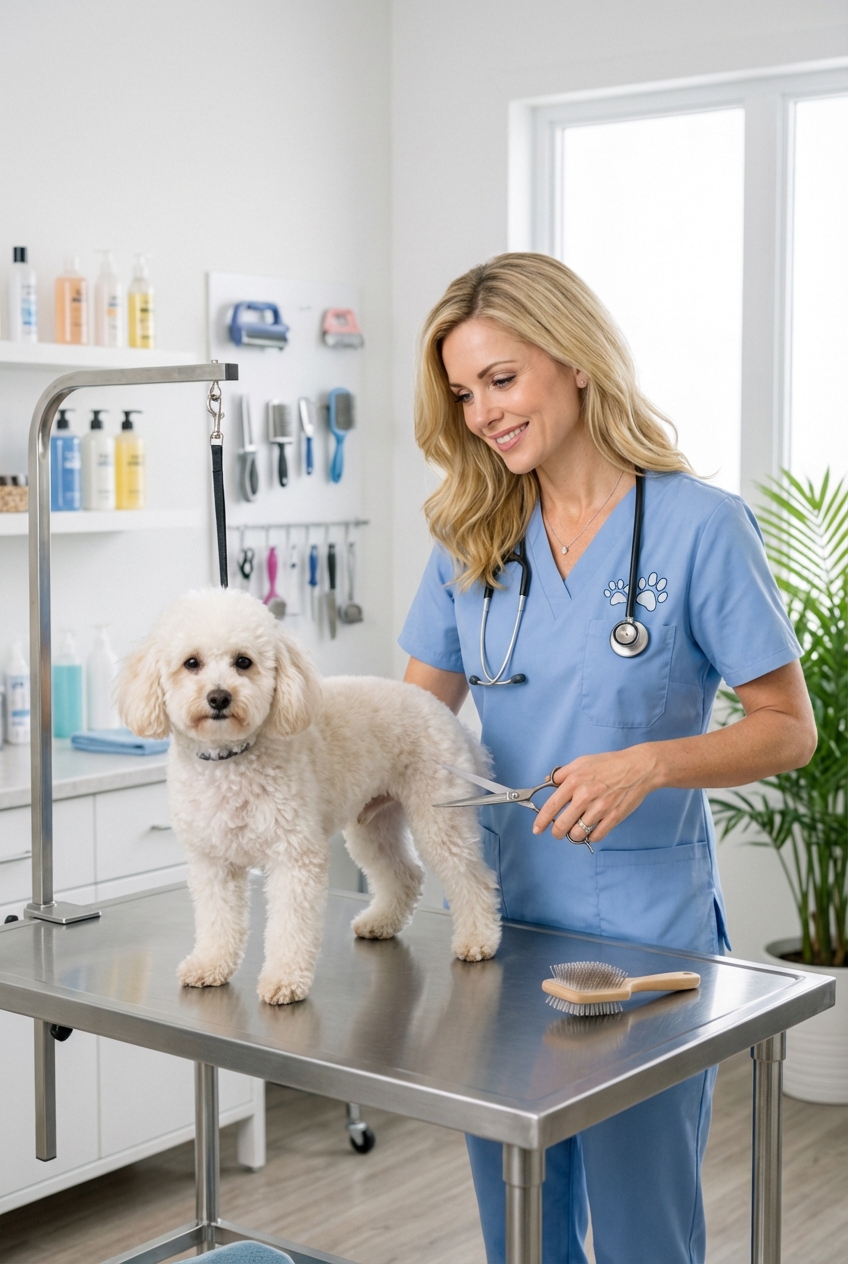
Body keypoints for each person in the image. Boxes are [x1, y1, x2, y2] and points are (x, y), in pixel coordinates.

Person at [398, 253, 816, 1264]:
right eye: (462, 394)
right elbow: (409, 726)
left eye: (501, 379)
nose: (482, 413)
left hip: (642, 942)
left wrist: (648, 764)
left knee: (642, 1232)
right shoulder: (468, 536)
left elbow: (785, 726)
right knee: (520, 1224)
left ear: (575, 360)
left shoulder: (698, 527)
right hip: (497, 928)